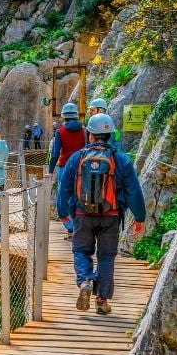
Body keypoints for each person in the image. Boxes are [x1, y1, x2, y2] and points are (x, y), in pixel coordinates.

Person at [57, 113, 146, 315]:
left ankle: (86, 281)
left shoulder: (76, 158)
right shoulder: (121, 159)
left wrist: (63, 213)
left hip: (82, 215)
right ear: (110, 134)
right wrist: (139, 217)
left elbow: (64, 189)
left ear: (90, 134)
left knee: (81, 251)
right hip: (111, 216)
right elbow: (133, 190)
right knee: (106, 257)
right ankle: (101, 300)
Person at [49, 102, 87, 240]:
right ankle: (81, 227)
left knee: (64, 196)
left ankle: (70, 228)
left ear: (64, 116)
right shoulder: (84, 130)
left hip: (65, 167)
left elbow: (55, 153)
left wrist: (50, 170)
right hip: (82, 167)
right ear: (76, 115)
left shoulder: (60, 132)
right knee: (79, 197)